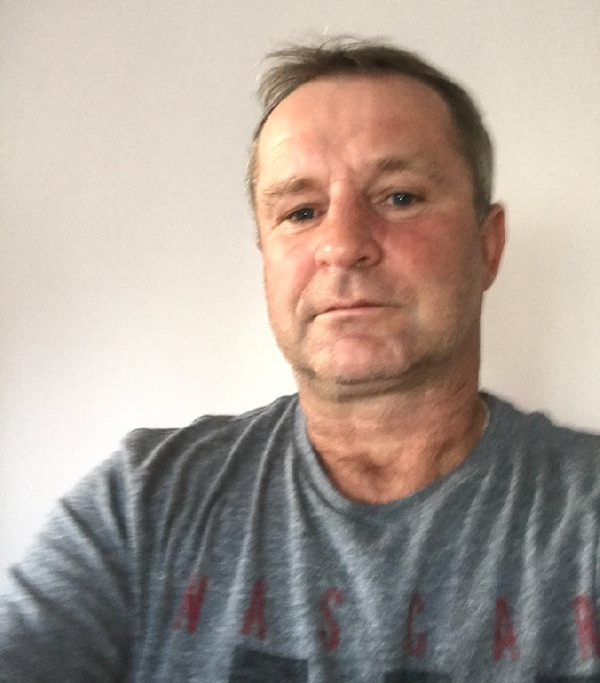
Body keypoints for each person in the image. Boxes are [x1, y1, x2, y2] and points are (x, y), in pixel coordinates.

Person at [1, 36, 599, 683]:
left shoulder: (585, 513)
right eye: (301, 211)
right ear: (265, 258)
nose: (342, 245)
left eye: (399, 197)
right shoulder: (142, 505)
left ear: (488, 245)